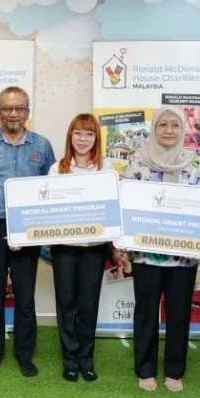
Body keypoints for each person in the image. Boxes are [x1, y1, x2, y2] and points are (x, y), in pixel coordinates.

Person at [121, 106, 200, 392]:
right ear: (154, 129)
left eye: (174, 125)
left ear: (182, 130)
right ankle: (145, 369)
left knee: (180, 313)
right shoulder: (137, 162)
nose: (169, 131)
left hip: (183, 257)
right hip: (146, 255)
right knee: (146, 312)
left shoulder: (195, 164)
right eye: (163, 125)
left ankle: (174, 370)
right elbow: (125, 205)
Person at [0, 86, 56, 377]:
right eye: (7, 108)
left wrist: (34, 229)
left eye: (19, 108)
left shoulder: (42, 146)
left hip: (28, 229)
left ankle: (25, 355)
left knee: (25, 295)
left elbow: (49, 188)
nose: (13, 114)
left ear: (27, 111)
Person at [48, 113, 123, 383]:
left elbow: (114, 210)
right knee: (66, 302)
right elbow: (48, 210)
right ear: (70, 136)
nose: (83, 139)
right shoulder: (57, 169)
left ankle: (86, 359)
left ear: (96, 139)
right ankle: (69, 360)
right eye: (78, 133)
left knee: (88, 303)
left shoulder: (107, 170)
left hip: (94, 247)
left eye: (89, 134)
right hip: (64, 247)